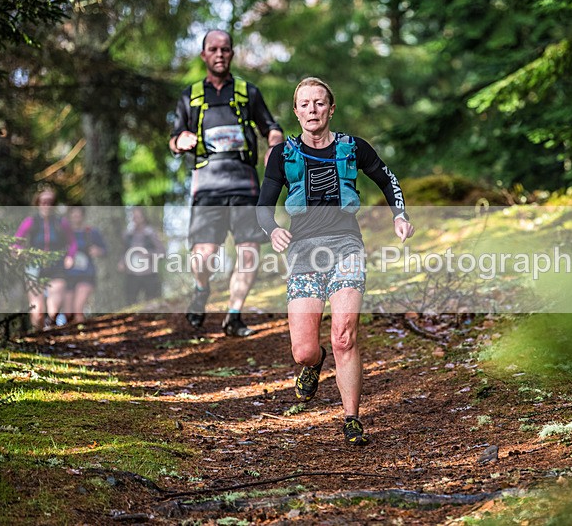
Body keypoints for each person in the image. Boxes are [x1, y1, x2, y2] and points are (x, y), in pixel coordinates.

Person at [257, 77, 414, 446]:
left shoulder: (352, 147)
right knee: (304, 350)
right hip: (303, 254)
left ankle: (351, 418)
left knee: (344, 335)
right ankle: (314, 364)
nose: (312, 110)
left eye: (319, 103)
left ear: (331, 108)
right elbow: (263, 206)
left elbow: (387, 179)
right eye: (305, 104)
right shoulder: (283, 154)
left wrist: (399, 216)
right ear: (296, 112)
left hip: (346, 247)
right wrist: (272, 230)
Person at [169, 29, 283, 336]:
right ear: (204, 55)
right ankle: (201, 288)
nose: (220, 54)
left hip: (245, 183)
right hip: (206, 185)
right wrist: (181, 140)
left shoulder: (248, 91)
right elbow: (173, 139)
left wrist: (275, 144)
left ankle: (234, 315)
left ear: (232, 54)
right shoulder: (190, 95)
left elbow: (271, 127)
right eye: (213, 49)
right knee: (203, 256)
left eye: (225, 49)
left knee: (249, 251)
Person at [13, 186, 76, 331]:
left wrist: (70, 257)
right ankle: (38, 339)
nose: (46, 205)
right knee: (38, 311)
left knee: (53, 310)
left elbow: (72, 243)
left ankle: (50, 331)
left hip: (57, 267)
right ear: (38, 203)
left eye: (50, 202)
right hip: (34, 267)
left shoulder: (61, 222)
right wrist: (20, 252)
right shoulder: (30, 221)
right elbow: (16, 241)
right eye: (43, 202)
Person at [62, 205, 107, 324]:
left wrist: (98, 251)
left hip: (86, 274)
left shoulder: (91, 232)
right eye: (74, 214)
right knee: (68, 313)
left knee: (78, 309)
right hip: (68, 275)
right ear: (69, 216)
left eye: (79, 214)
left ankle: (81, 337)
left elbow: (105, 250)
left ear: (83, 216)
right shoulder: (63, 233)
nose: (76, 217)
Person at [118, 206, 165, 305]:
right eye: (133, 217)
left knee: (152, 301)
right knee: (130, 301)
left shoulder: (151, 233)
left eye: (138, 217)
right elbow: (124, 251)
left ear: (144, 218)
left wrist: (149, 254)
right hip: (132, 274)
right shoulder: (128, 234)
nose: (135, 219)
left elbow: (162, 252)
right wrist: (122, 262)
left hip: (149, 273)